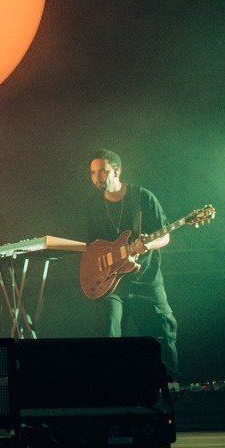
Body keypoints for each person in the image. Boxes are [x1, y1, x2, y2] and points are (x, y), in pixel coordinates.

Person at [83, 148, 179, 382]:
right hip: (111, 283)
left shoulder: (142, 197)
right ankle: (113, 388)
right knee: (107, 330)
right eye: (93, 173)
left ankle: (172, 387)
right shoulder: (92, 205)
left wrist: (147, 245)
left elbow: (165, 236)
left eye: (102, 171)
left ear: (117, 171)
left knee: (162, 334)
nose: (97, 177)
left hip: (146, 279)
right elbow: (92, 247)